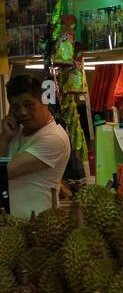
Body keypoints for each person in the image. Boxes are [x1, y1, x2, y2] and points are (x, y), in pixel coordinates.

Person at [1, 74, 72, 220]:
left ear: (45, 102)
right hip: (11, 224)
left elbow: (4, 173)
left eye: (29, 105)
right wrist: (5, 137)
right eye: (16, 107)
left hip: (37, 225)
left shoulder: (54, 138)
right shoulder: (15, 132)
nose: (22, 112)